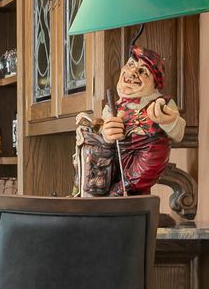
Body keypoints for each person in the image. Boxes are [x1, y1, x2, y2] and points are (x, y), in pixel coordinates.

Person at [74, 46, 186, 196]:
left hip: (147, 153)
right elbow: (104, 135)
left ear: (155, 83)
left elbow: (179, 132)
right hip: (119, 154)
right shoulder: (112, 107)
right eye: (131, 65)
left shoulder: (162, 102)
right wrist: (107, 134)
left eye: (143, 72)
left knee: (155, 152)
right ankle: (96, 191)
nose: (133, 72)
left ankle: (118, 192)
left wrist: (168, 121)